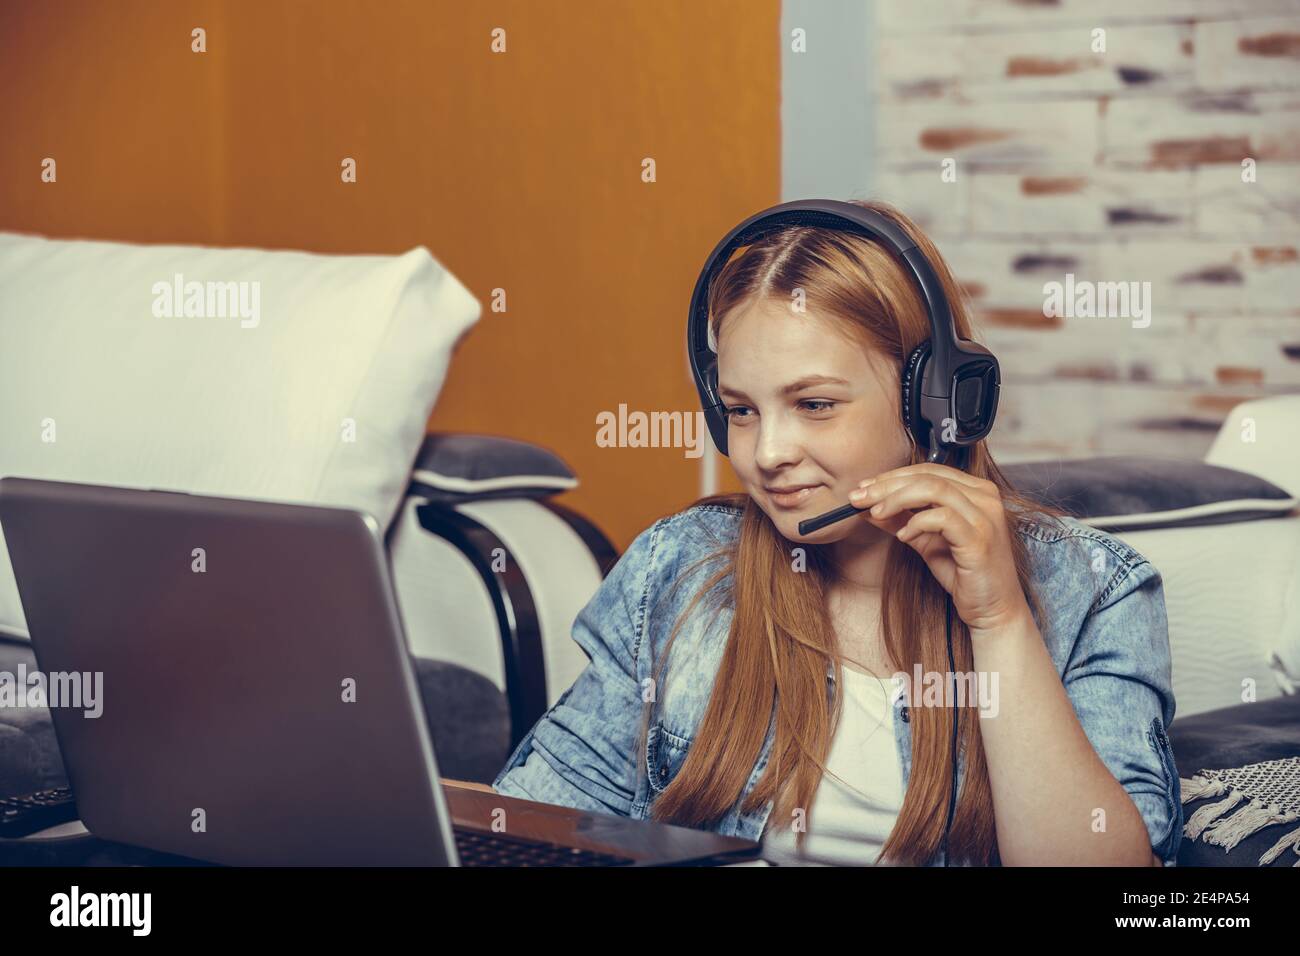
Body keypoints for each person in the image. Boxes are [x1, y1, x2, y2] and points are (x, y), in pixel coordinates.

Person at [491, 199, 1182, 866]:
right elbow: (535, 820)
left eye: (814, 404)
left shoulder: (1095, 590)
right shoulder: (676, 567)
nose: (767, 454)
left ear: (932, 399)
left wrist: (999, 621)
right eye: (741, 410)